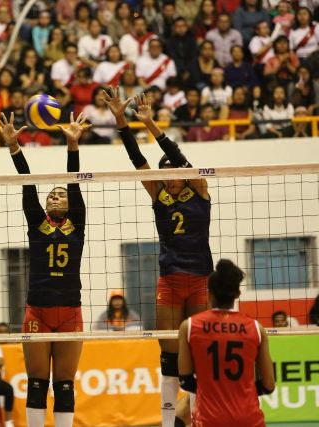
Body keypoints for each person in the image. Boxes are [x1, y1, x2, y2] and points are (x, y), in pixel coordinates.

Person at [102, 87, 212, 427]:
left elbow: (177, 154)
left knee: (198, 352)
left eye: (174, 172)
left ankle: (198, 418)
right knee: (169, 356)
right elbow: (138, 160)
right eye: (165, 174)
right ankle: (167, 423)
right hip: (170, 279)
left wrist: (150, 124)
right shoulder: (158, 194)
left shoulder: (200, 190)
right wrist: (121, 120)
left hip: (199, 281)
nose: (170, 178)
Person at [0, 111, 89, 427]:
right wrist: (13, 147)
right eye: (52, 195)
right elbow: (28, 187)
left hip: (70, 312)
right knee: (37, 383)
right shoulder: (38, 225)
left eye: (60, 193)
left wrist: (72, 145)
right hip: (37, 311)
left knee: (64, 385)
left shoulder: (77, 224)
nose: (55, 195)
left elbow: (74, 184)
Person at [178, 259, 275, 427]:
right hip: (249, 419)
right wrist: (243, 391)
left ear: (209, 294)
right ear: (237, 294)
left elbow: (185, 380)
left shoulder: (190, 326)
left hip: (210, 420)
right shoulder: (256, 328)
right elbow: (269, 385)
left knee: (178, 415)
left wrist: (211, 390)